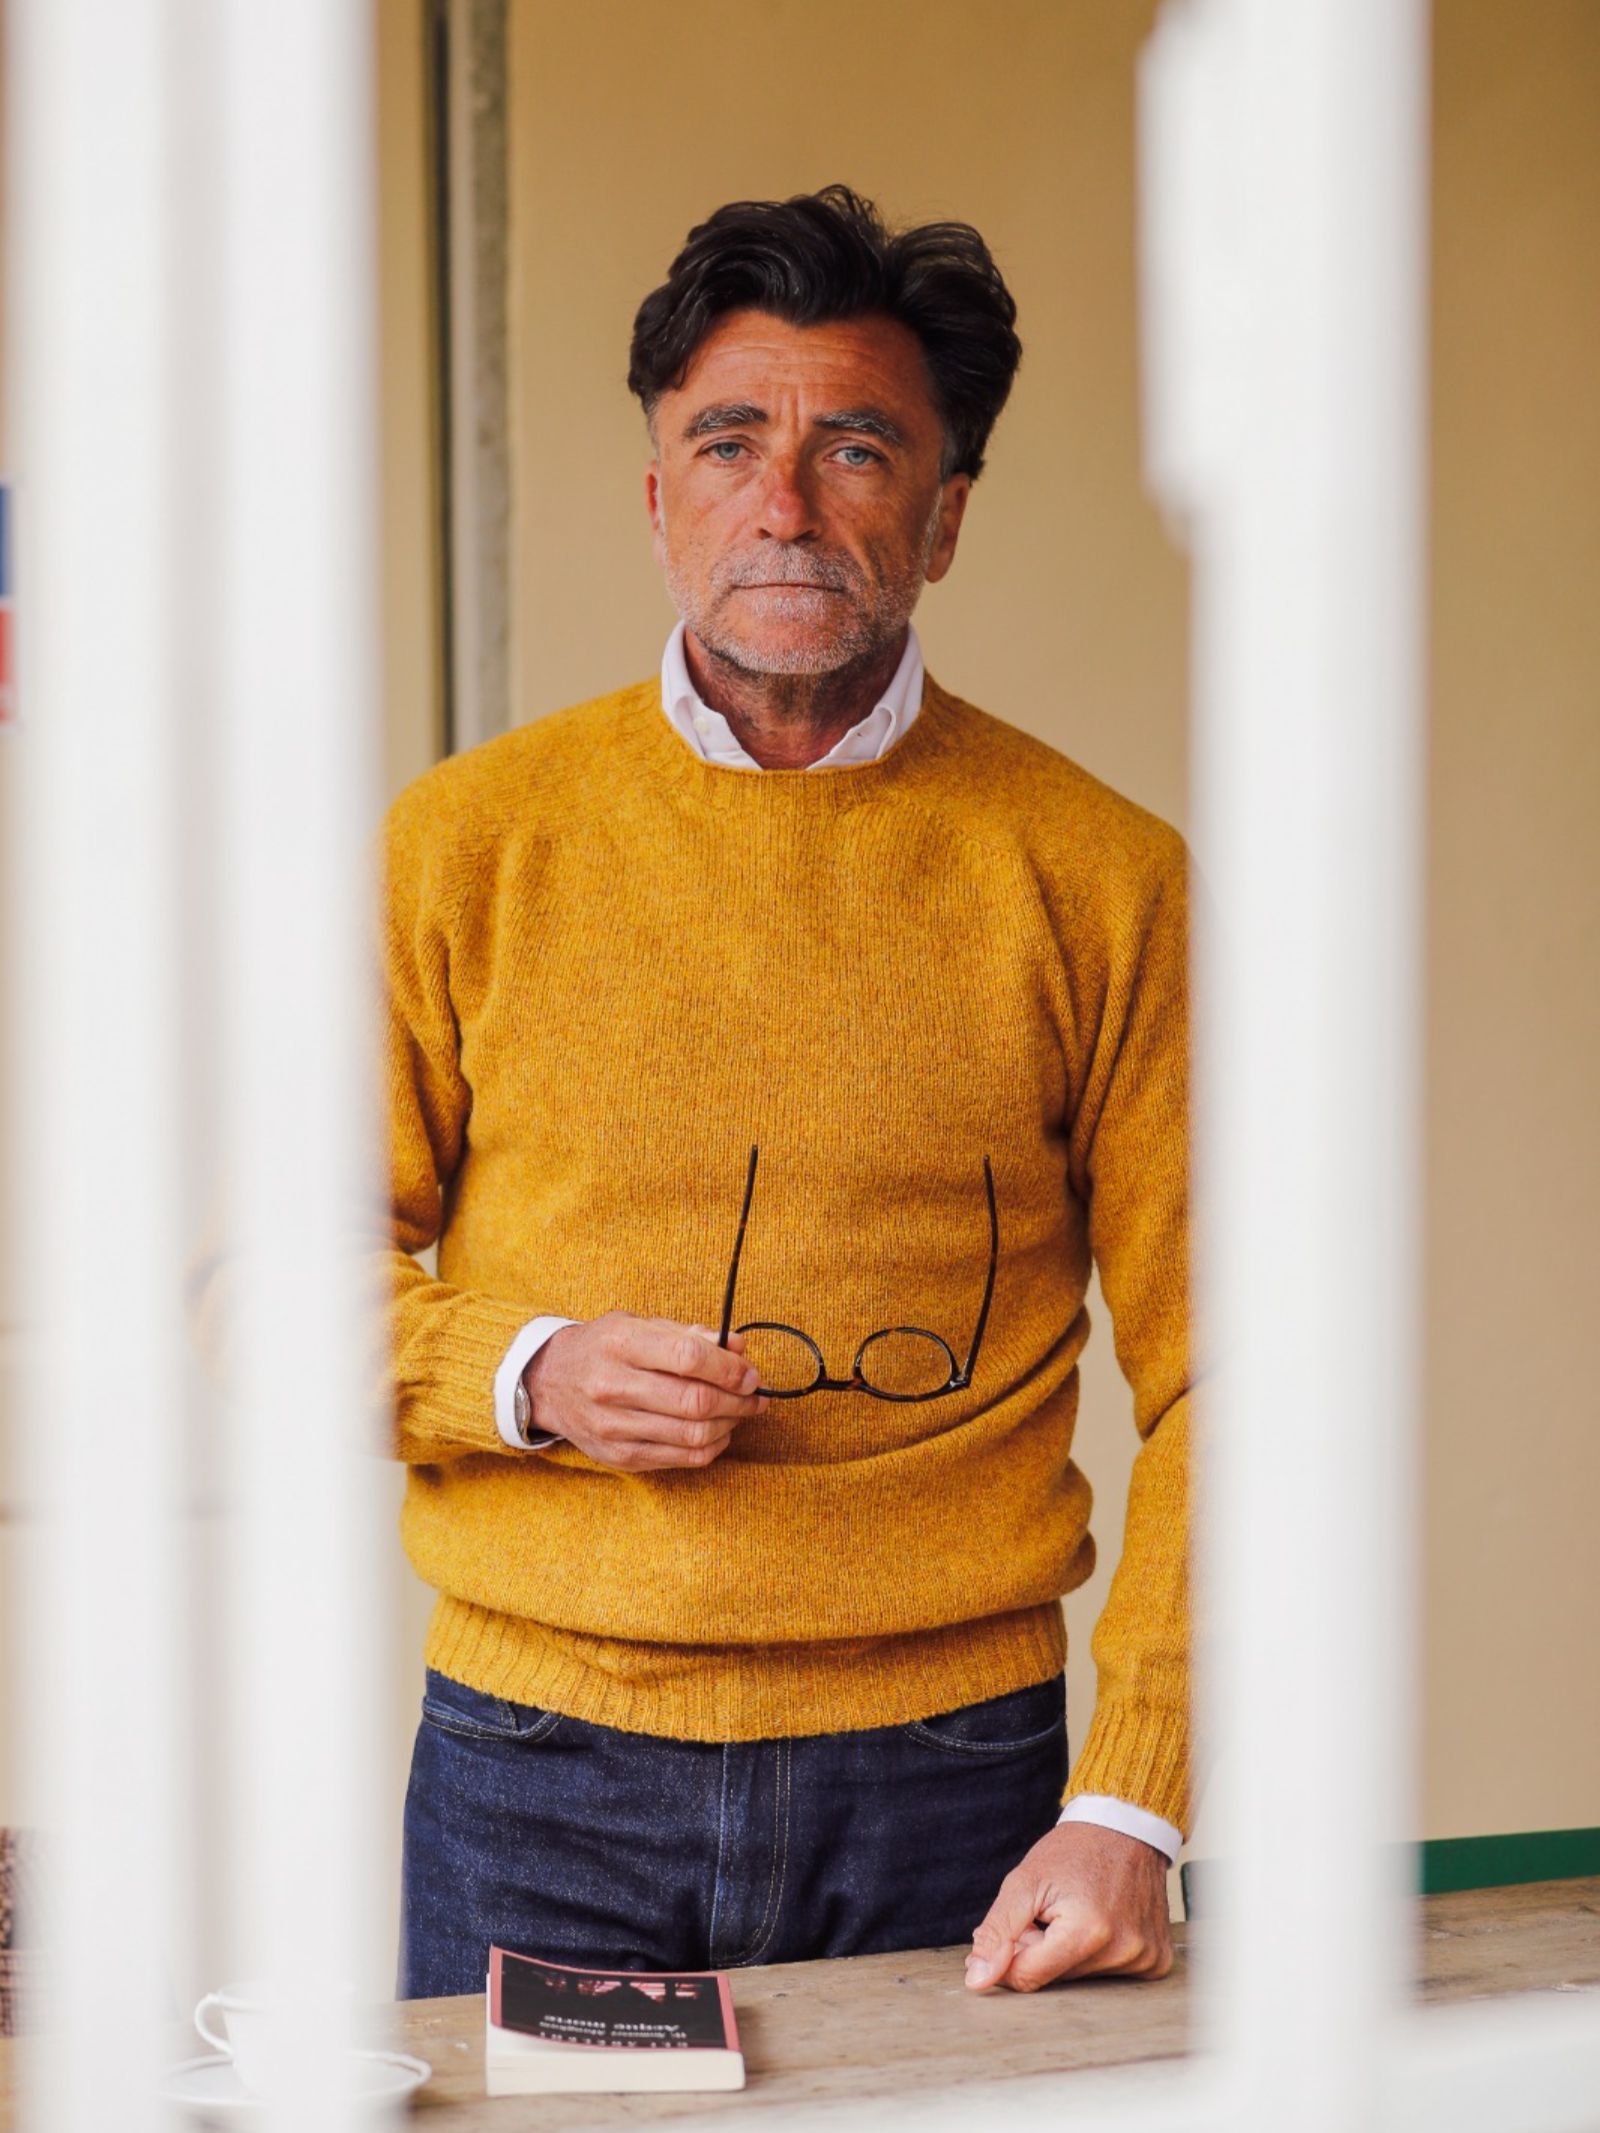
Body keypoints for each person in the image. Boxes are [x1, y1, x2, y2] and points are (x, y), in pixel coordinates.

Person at [388, 184, 1195, 2001]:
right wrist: (528, 1373)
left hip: (961, 1777)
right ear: (656, 494)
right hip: (536, 1765)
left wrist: (1134, 1796)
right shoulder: (466, 846)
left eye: (858, 449)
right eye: (729, 441)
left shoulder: (1100, 873)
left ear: (947, 513)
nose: (788, 502)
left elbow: (1244, 1367)